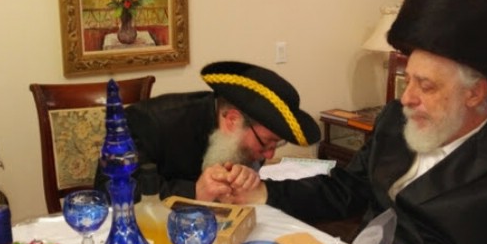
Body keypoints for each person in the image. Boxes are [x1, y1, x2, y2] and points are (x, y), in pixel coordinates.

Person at [224, 0, 487, 244]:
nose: (407, 98)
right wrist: (263, 192)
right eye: (408, 80)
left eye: (426, 86)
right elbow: (347, 188)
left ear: (474, 93)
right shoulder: (395, 119)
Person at [94, 61, 321, 201]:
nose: (270, 154)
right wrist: (193, 191)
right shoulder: (149, 120)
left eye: (277, 144)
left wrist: (246, 179)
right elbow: (108, 190)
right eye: (266, 143)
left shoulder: (251, 139)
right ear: (232, 120)